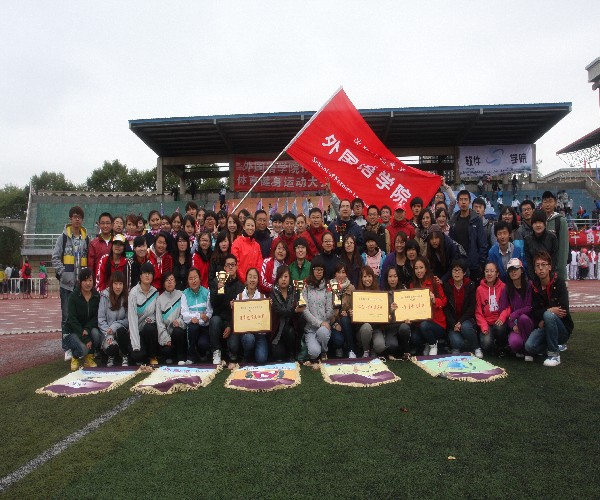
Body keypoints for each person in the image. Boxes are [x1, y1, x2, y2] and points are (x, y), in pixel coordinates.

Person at [52, 206, 90, 361]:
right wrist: (64, 274)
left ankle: (80, 345)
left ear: (82, 219)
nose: (77, 219)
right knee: (67, 317)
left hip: (82, 287)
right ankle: (67, 347)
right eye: (74, 216)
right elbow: (55, 258)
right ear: (70, 219)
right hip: (67, 286)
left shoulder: (86, 239)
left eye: (79, 217)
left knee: (81, 317)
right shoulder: (62, 238)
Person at [525, 250, 573, 367]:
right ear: (535, 270)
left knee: (548, 315)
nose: (541, 268)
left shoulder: (559, 282)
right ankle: (553, 345)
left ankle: (554, 354)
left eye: (544, 265)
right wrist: (549, 312)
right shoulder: (534, 286)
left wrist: (547, 314)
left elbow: (563, 309)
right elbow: (534, 311)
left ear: (550, 267)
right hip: (544, 325)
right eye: (537, 266)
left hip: (562, 328)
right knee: (529, 347)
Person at [208, 254, 244, 363]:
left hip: (234, 322)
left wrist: (230, 326)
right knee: (214, 320)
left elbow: (241, 312)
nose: (231, 267)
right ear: (224, 267)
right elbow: (213, 305)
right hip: (219, 319)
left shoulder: (241, 286)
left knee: (233, 347)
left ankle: (231, 352)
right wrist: (219, 291)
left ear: (237, 266)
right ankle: (216, 351)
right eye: (228, 265)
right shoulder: (217, 281)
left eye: (233, 265)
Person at [408, 257, 447, 356]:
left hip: (437, 323)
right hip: (420, 322)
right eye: (416, 268)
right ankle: (428, 343)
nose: (419, 271)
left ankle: (433, 345)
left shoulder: (434, 282)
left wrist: (434, 300)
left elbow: (444, 301)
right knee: (414, 339)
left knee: (424, 325)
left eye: (421, 267)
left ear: (426, 269)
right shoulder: (412, 285)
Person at [63, 268, 101, 371]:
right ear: (80, 282)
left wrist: (87, 329)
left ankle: (88, 358)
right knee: (83, 349)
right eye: (85, 280)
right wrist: (85, 338)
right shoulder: (73, 297)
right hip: (72, 331)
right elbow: (72, 320)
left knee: (96, 334)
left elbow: (96, 316)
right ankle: (75, 355)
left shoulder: (96, 296)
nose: (88, 283)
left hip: (86, 329)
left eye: (90, 280)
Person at [443, 259, 481, 357]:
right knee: (457, 343)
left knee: (465, 327)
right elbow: (446, 309)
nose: (456, 273)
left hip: (466, 319)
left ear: (464, 273)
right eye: (454, 270)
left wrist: (460, 321)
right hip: (452, 322)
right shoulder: (446, 286)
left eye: (459, 270)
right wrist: (453, 324)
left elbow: (472, 307)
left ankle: (476, 347)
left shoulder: (470, 285)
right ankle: (458, 345)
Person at [500, 258, 534, 361]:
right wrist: (512, 325)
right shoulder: (506, 289)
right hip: (515, 324)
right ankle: (520, 348)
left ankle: (528, 350)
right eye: (510, 270)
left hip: (529, 322)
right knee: (514, 343)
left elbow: (529, 307)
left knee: (523, 318)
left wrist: (516, 313)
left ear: (522, 270)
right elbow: (503, 310)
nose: (513, 272)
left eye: (516, 269)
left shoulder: (529, 285)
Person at [233, 268, 270, 363]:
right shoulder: (239, 297)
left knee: (261, 359)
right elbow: (238, 319)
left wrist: (269, 307)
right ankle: (247, 355)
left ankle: (255, 353)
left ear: (258, 280)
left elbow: (265, 319)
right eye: (250, 277)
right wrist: (233, 307)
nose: (252, 280)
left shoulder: (263, 297)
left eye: (255, 277)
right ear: (246, 279)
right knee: (249, 339)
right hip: (246, 333)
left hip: (260, 335)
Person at [450, 190, 487, 283]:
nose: (463, 202)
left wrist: (481, 264)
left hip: (473, 265)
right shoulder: (454, 220)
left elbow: (482, 243)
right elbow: (451, 242)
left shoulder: (476, 220)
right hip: (458, 264)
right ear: (458, 202)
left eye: (465, 199)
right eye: (461, 200)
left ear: (469, 202)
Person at [302, 256, 333, 361]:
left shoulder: (328, 287)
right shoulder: (306, 287)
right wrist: (319, 323)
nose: (318, 272)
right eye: (316, 269)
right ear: (312, 270)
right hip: (310, 328)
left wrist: (334, 308)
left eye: (321, 269)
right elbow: (305, 311)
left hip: (324, 327)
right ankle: (315, 348)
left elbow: (329, 312)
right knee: (314, 353)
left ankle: (324, 351)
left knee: (323, 332)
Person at [128, 262, 160, 366]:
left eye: (150, 273)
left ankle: (152, 356)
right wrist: (136, 345)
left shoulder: (155, 292)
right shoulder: (133, 293)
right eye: (145, 273)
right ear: (140, 276)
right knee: (138, 356)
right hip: (136, 329)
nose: (147, 276)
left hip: (149, 329)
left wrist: (152, 318)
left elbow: (157, 314)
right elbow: (132, 319)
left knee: (150, 328)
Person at [475, 262, 509, 355]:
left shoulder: (503, 287)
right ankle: (492, 342)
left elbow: (508, 306)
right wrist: (483, 325)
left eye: (492, 271)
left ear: (497, 274)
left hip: (499, 321)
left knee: (499, 328)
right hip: (487, 322)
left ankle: (501, 345)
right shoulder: (479, 289)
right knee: (486, 344)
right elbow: (478, 311)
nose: (489, 274)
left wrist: (502, 317)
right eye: (487, 271)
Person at [271, 265, 304, 361]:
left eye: (286, 276)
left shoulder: (295, 291)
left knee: (290, 330)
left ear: (290, 278)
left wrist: (299, 310)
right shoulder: (273, 293)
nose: (283, 279)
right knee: (278, 355)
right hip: (278, 330)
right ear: (277, 279)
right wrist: (294, 311)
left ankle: (293, 352)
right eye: (280, 277)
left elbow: (299, 310)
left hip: (293, 329)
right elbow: (280, 311)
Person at [98, 270, 130, 367]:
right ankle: (111, 355)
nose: (118, 287)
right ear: (111, 284)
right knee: (112, 348)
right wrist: (109, 334)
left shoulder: (127, 297)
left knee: (121, 331)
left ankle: (125, 355)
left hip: (121, 332)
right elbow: (101, 319)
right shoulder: (104, 296)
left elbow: (128, 320)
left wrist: (114, 326)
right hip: (106, 333)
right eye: (115, 284)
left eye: (120, 284)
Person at [181, 268, 212, 364]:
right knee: (193, 327)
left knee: (203, 344)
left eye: (195, 278)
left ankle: (202, 354)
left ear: (200, 278)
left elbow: (209, 313)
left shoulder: (206, 292)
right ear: (187, 281)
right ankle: (191, 356)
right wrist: (199, 316)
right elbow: (184, 314)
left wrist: (201, 320)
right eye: (190, 279)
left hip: (204, 326)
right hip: (192, 326)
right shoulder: (184, 294)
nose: (193, 281)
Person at [381, 265, 412, 359]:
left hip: (402, 324)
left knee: (404, 328)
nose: (392, 279)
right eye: (390, 276)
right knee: (392, 346)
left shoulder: (404, 290)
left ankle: (406, 349)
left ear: (398, 277)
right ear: (386, 278)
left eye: (395, 276)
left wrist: (409, 318)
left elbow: (410, 309)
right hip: (390, 327)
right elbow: (380, 315)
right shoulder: (382, 292)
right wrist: (390, 311)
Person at [353, 266, 383, 357]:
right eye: (365, 276)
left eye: (369, 276)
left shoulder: (380, 293)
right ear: (361, 278)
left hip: (376, 328)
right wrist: (353, 314)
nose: (367, 279)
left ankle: (373, 348)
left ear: (373, 278)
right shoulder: (357, 294)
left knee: (380, 347)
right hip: (363, 329)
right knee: (366, 327)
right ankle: (366, 351)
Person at [329, 262, 357, 358]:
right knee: (338, 340)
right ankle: (339, 347)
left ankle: (351, 350)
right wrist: (334, 324)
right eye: (338, 272)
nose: (341, 275)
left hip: (347, 322)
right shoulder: (329, 287)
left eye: (343, 272)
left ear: (346, 274)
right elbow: (325, 310)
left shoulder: (351, 288)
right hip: (333, 323)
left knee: (345, 319)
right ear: (335, 274)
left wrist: (349, 312)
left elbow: (356, 307)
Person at [524, 210, 559, 281]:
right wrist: (534, 279)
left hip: (550, 277)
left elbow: (554, 259)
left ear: (545, 224)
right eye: (535, 223)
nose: (538, 225)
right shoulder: (527, 239)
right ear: (532, 225)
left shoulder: (552, 238)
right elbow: (529, 261)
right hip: (534, 278)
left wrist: (550, 277)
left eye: (540, 222)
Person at [542, 191, 569, 281]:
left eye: (550, 201)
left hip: (556, 270)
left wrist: (560, 272)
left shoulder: (560, 221)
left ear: (555, 203)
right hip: (541, 270)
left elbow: (563, 249)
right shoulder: (539, 220)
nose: (547, 204)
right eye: (545, 201)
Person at [231, 216, 263, 284]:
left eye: (252, 226)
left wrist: (254, 278)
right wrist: (244, 280)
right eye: (248, 225)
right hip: (239, 282)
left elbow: (259, 263)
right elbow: (236, 263)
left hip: (253, 282)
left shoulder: (257, 245)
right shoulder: (237, 242)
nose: (250, 228)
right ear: (244, 227)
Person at [87, 212, 113, 283]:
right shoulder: (93, 243)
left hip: (114, 282)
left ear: (112, 225)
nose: (105, 226)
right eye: (102, 223)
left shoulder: (116, 242)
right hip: (98, 281)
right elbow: (91, 265)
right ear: (99, 225)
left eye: (107, 223)